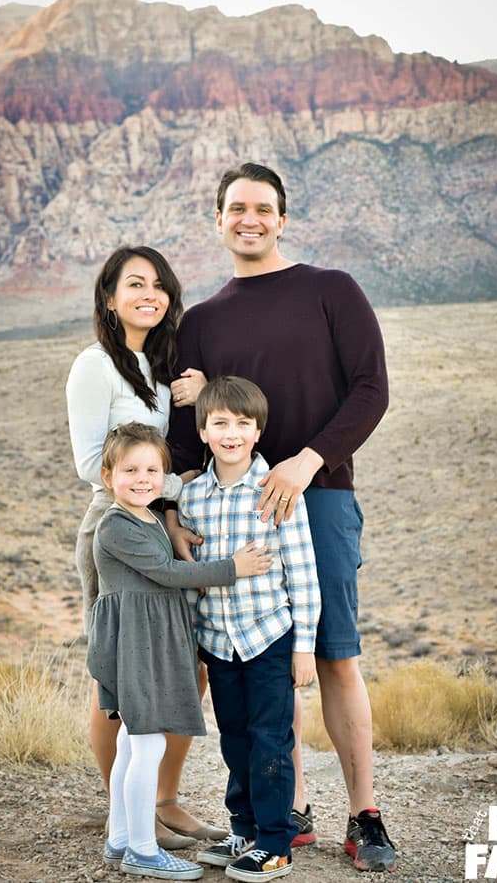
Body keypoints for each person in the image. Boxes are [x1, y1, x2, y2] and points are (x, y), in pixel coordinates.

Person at [167, 163, 398, 872]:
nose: (250, 219)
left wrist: (307, 461)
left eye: (263, 208)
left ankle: (365, 816)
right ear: (218, 219)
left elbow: (371, 389)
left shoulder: (331, 290)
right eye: (236, 208)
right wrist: (177, 518)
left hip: (319, 498)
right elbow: (187, 435)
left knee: (332, 654)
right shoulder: (202, 322)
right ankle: (285, 813)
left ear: (282, 217)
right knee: (262, 659)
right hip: (235, 514)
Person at [66, 245, 224, 848]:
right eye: (135, 284)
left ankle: (163, 800)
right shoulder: (95, 366)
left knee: (185, 666)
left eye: (159, 285)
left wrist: (202, 394)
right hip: (115, 524)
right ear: (110, 297)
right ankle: (127, 817)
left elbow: (194, 436)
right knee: (123, 674)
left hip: (161, 521)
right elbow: (89, 464)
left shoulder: (163, 368)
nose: (149, 294)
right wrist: (172, 487)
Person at [89, 422, 273, 878]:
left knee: (134, 744)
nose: (143, 478)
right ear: (108, 476)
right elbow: (168, 573)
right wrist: (234, 567)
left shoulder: (148, 516)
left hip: (152, 639)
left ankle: (119, 839)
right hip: (136, 644)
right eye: (130, 469)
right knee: (148, 743)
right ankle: (143, 851)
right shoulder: (115, 525)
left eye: (153, 469)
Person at [176, 376, 321, 881]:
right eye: (220, 423)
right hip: (218, 641)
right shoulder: (193, 497)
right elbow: (193, 576)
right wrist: (193, 639)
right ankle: (246, 829)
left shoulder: (277, 491)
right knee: (234, 737)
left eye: (243, 424)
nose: (231, 433)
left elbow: (302, 575)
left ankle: (276, 842)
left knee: (270, 738)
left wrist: (305, 648)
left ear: (258, 432)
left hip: (269, 638)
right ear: (203, 431)